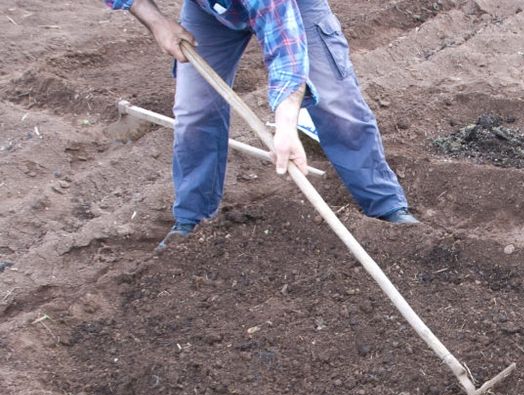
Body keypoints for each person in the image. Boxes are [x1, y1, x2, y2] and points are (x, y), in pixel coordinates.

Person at [105, 0, 419, 252]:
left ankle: (384, 204)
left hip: (294, 7)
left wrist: (285, 127)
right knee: (195, 112)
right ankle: (192, 218)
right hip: (208, 13)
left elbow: (285, 51)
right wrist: (156, 21)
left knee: (336, 103)